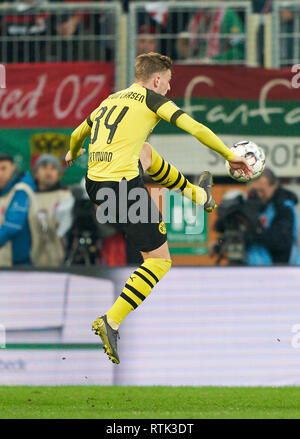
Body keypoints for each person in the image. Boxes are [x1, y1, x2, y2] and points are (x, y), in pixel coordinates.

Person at [65, 52, 252, 364]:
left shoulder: (111, 100)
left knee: (146, 152)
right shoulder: (152, 100)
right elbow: (195, 128)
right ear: (155, 80)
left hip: (95, 184)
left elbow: (76, 135)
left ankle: (197, 194)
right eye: (167, 81)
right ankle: (110, 321)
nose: (169, 88)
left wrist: (72, 154)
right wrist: (228, 155)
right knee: (159, 261)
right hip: (120, 190)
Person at [246, 169, 300, 265]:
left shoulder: (283, 207)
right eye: (255, 191)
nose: (259, 195)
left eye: (262, 191)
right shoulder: (252, 206)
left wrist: (255, 232)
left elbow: (281, 241)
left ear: (274, 186)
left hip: (284, 268)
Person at [32, 154, 75, 267]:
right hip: (29, 262)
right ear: (36, 173)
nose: (48, 172)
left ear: (58, 174)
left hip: (59, 262)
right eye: (44, 168)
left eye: (53, 168)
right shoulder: (27, 196)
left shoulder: (66, 197)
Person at [0, 153, 38, 266]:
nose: (0, 174)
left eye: (3, 168)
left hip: (20, 265)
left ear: (13, 167)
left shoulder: (21, 190)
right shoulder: (4, 191)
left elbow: (12, 226)